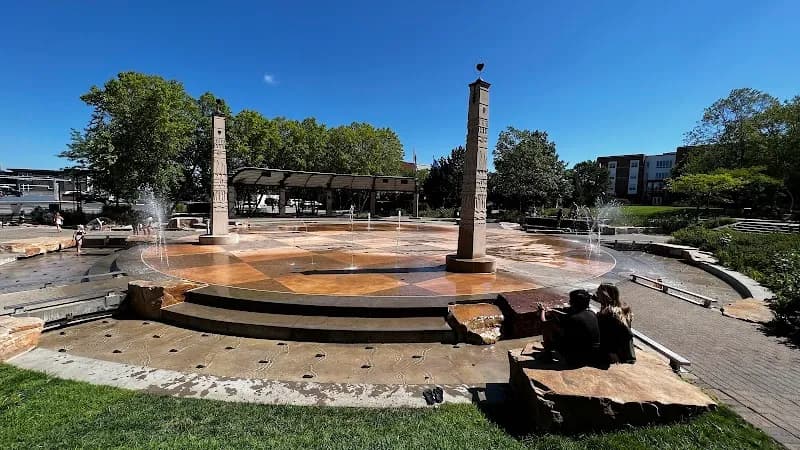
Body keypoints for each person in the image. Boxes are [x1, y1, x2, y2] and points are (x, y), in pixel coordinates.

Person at [537, 289, 602, 368]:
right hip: (592, 356)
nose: (569, 302)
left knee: (549, 327)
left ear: (573, 303)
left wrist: (542, 311)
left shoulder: (573, 319)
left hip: (575, 359)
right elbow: (566, 316)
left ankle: (547, 355)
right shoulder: (591, 313)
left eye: (570, 300)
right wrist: (553, 311)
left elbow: (543, 322)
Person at [595, 283, 636, 364]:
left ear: (605, 295)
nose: (596, 293)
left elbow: (626, 333)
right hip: (625, 351)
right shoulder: (624, 308)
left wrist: (612, 352)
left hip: (613, 351)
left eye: (598, 292)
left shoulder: (609, 312)